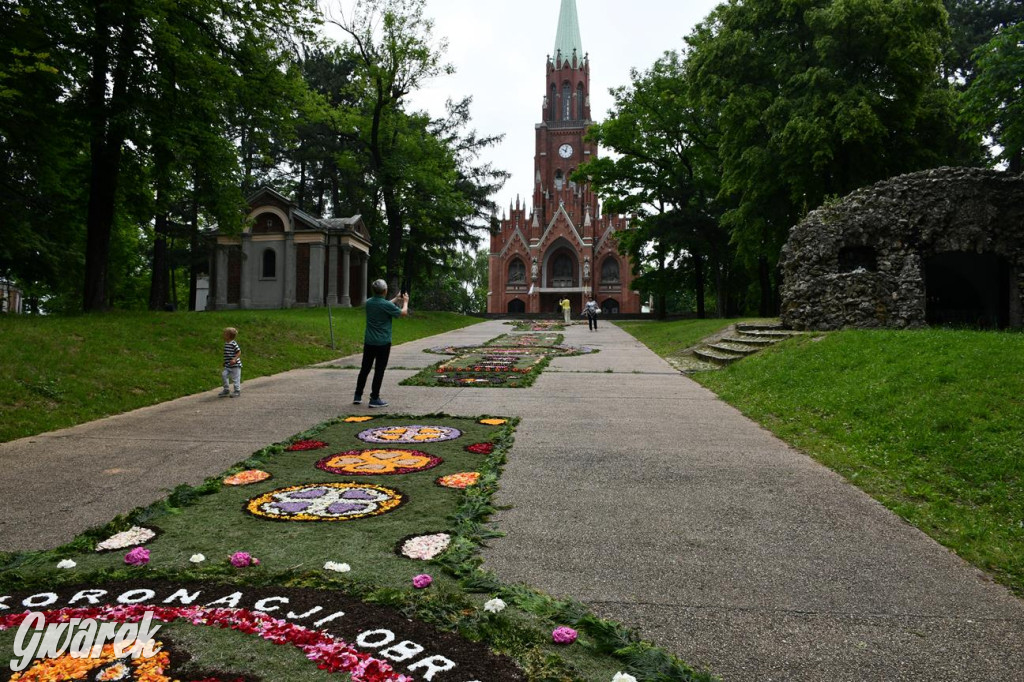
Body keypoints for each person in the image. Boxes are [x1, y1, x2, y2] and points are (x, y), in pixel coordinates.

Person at [354, 279, 409, 408]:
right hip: (383, 343)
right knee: (379, 370)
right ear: (385, 291)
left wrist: (396, 299)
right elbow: (403, 313)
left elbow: (383, 305)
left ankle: (358, 395)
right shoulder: (385, 305)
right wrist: (405, 302)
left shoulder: (369, 303)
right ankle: (374, 398)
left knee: (365, 369)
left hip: (369, 342)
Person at [219, 327, 242, 397]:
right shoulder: (226, 343)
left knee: (235, 378)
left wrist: (234, 359)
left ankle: (237, 391)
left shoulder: (233, 343)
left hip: (235, 365)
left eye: (225, 334)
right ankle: (226, 390)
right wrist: (225, 362)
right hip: (228, 365)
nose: (223, 335)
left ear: (229, 336)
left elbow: (239, 352)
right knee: (224, 375)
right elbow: (227, 354)